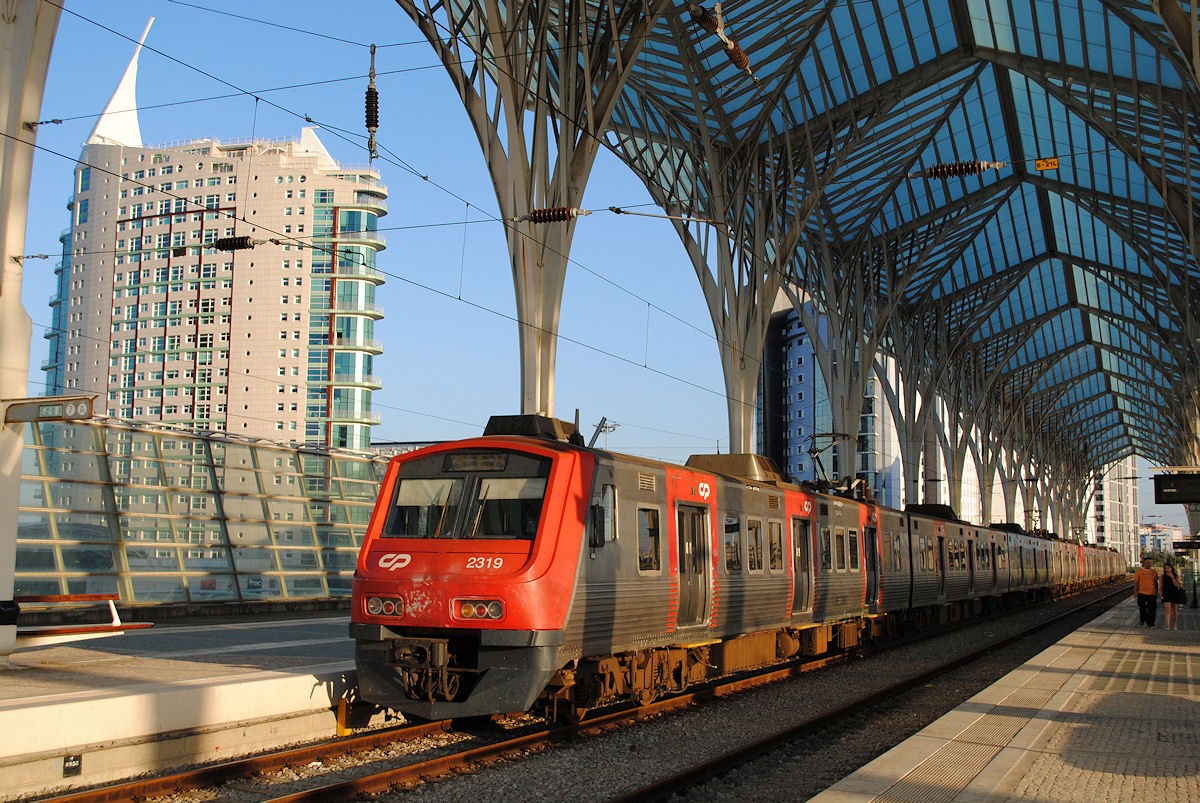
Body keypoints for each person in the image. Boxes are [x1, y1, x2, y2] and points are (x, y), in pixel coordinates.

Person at [1134, 557, 1159, 627]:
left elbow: (1156, 582)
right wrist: (1135, 592)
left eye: (1150, 563)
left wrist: (1156, 592)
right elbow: (1136, 582)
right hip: (1141, 593)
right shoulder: (1139, 571)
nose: (1149, 564)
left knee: (1152, 609)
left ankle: (1151, 623)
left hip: (1152, 593)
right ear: (1144, 563)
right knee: (1142, 608)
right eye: (1148, 563)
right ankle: (1142, 618)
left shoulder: (1154, 572)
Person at [1161, 562, 1186, 630]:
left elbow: (1177, 585)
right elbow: (1161, 586)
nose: (1167, 570)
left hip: (1174, 594)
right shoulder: (1162, 576)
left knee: (1174, 610)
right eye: (1165, 568)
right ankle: (1167, 625)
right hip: (1166, 594)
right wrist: (1161, 594)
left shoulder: (1175, 576)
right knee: (1167, 610)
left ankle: (1175, 624)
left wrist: (1172, 577)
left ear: (1171, 568)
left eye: (1168, 568)